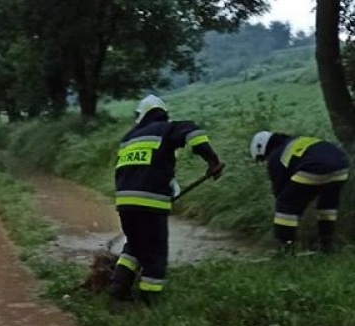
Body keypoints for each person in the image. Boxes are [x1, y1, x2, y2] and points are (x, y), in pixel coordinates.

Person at [109, 95, 224, 305]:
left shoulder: (128, 138)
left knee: (134, 246)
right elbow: (194, 133)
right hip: (151, 204)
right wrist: (213, 161)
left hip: (124, 202)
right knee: (155, 253)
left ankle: (118, 290)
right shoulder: (165, 129)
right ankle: (148, 302)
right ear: (161, 113)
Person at [249, 130, 350, 254]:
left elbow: (279, 189)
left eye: (262, 158)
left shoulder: (276, 155)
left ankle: (286, 246)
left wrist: (287, 209)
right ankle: (327, 244)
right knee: (327, 205)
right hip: (341, 168)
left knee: (286, 204)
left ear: (262, 148)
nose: (265, 161)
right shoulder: (298, 141)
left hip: (314, 168)